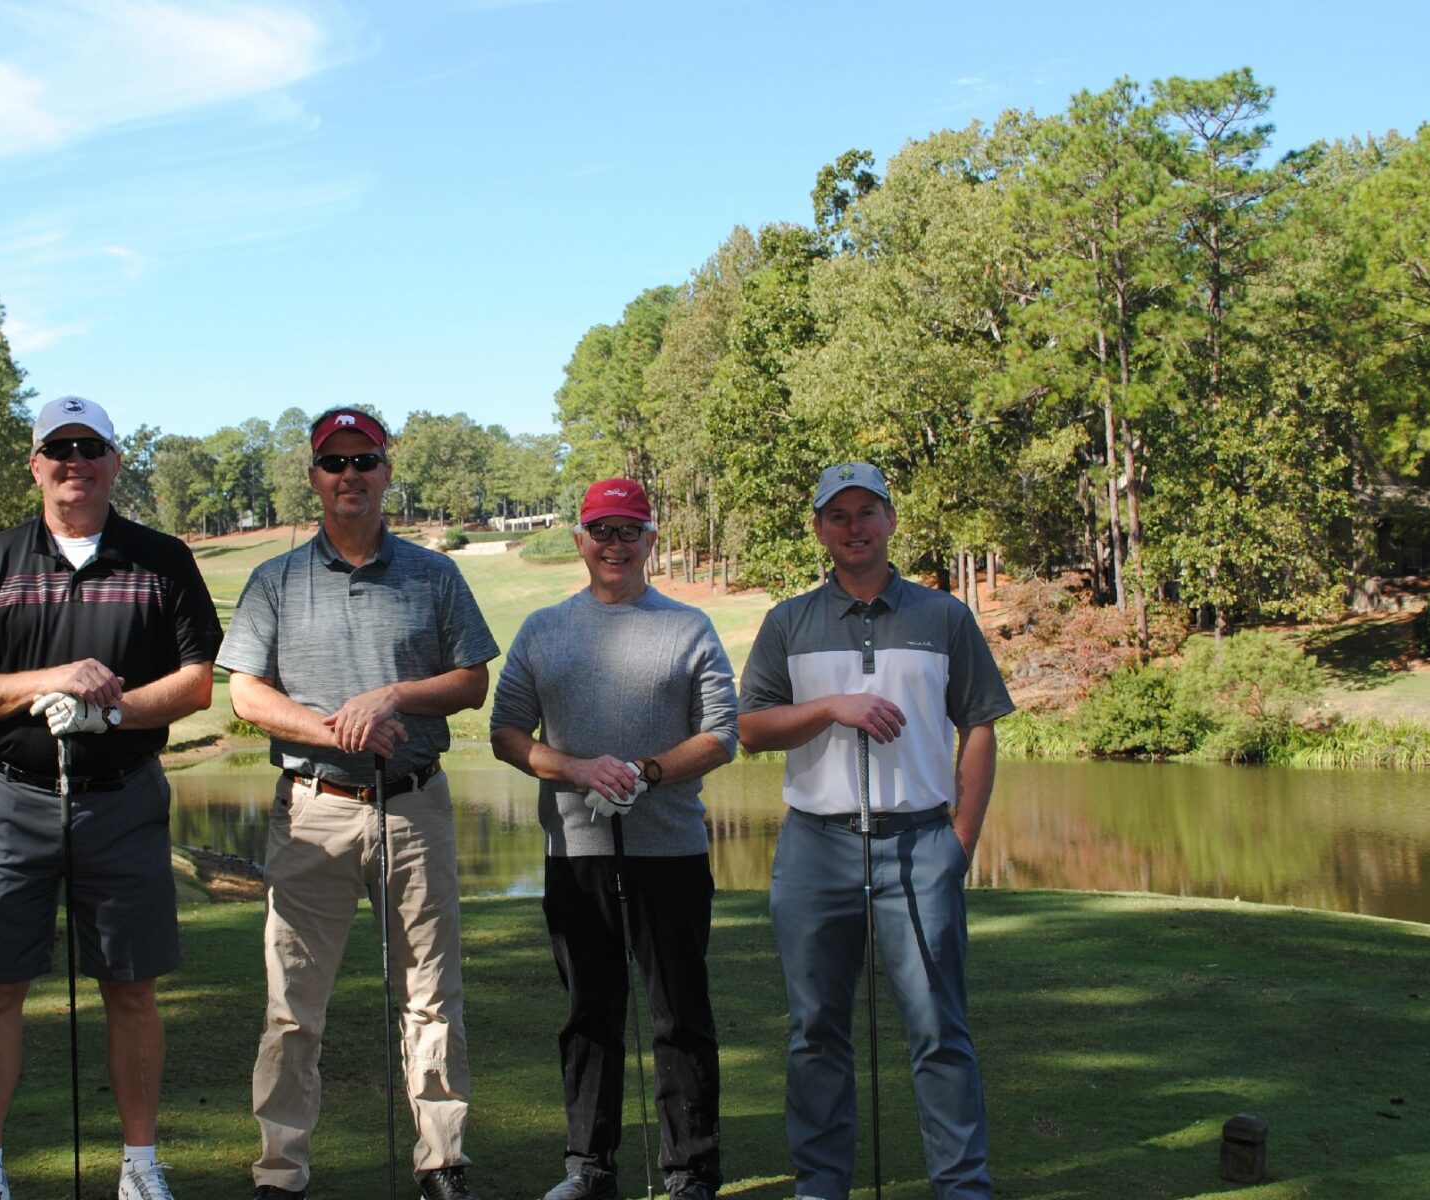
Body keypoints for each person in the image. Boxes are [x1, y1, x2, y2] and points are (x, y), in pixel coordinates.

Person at [0, 395, 224, 1200]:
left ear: (114, 461)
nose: (74, 460)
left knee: (131, 987)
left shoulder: (161, 561)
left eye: (89, 446)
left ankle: (140, 1168)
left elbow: (197, 685)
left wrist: (106, 712)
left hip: (121, 796)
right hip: (11, 797)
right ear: (35, 464)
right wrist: (51, 683)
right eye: (57, 447)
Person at [217, 407, 500, 1200]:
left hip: (414, 808)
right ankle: (281, 1171)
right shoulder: (276, 581)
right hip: (313, 810)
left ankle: (442, 1162)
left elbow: (472, 683)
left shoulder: (434, 574)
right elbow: (244, 694)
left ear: (385, 473)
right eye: (335, 462)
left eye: (365, 460)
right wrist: (336, 729)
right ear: (314, 478)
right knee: (292, 1006)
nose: (351, 475)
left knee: (431, 996)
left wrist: (392, 698)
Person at [736, 462, 1012, 1200]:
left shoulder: (944, 616)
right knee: (816, 1029)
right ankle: (821, 1186)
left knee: (938, 1029)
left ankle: (962, 1187)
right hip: (815, 845)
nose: (853, 527)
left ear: (891, 520)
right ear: (820, 528)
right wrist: (832, 708)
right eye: (838, 516)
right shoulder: (788, 622)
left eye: (867, 512)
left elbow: (979, 724)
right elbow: (751, 729)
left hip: (920, 844)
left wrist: (961, 842)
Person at [489, 477, 736, 1200]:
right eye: (602, 530)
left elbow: (722, 735)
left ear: (652, 540)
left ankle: (692, 1170)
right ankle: (588, 1169)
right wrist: (575, 769)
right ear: (580, 541)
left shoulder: (689, 627)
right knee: (589, 1015)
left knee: (680, 1014)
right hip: (577, 854)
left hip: (672, 852)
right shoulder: (543, 629)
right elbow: (506, 734)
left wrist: (647, 771)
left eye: (630, 530)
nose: (615, 544)